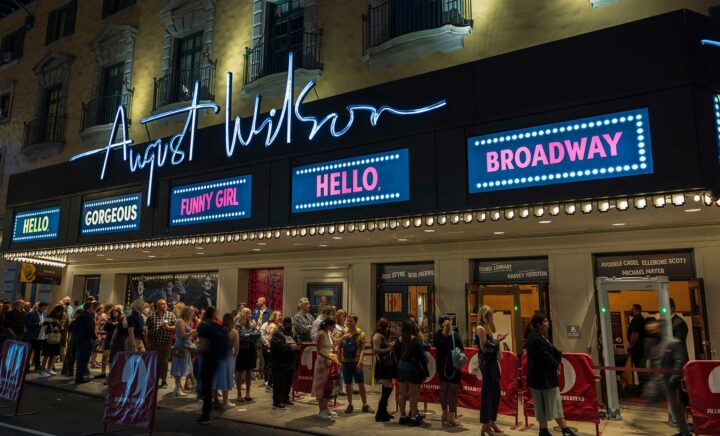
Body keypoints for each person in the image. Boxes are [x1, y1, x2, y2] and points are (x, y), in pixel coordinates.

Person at [526, 312, 576, 436]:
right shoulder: (535, 338)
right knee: (552, 403)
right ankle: (564, 429)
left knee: (545, 403)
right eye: (545, 321)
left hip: (543, 377)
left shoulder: (541, 336)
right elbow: (545, 355)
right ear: (538, 324)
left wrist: (557, 358)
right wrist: (556, 364)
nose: (548, 323)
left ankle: (544, 431)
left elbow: (552, 351)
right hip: (542, 378)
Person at [642, 318, 691, 436]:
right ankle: (638, 422)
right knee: (649, 399)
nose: (652, 332)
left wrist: (673, 378)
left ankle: (684, 432)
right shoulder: (654, 345)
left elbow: (679, 361)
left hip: (668, 381)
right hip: (657, 380)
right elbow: (653, 361)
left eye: (654, 329)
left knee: (676, 406)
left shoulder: (673, 343)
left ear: (660, 328)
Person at [475, 306, 508, 434]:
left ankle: (491, 421)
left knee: (496, 392)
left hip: (491, 361)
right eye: (489, 315)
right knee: (488, 393)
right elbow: (484, 349)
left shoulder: (486, 328)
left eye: (491, 315)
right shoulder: (481, 329)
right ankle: (485, 424)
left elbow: (489, 345)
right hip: (487, 362)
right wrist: (497, 341)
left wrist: (496, 340)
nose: (491, 318)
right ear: (483, 315)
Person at [197, 307, 229, 425]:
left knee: (205, 386)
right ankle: (209, 409)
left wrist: (196, 349)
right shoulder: (217, 326)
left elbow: (204, 346)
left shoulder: (203, 326)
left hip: (206, 358)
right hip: (217, 358)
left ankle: (206, 414)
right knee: (209, 385)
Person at [394, 319, 428, 427]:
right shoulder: (416, 341)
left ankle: (403, 416)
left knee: (402, 393)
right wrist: (426, 371)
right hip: (414, 369)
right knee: (413, 394)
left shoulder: (398, 341)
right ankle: (413, 417)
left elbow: (396, 355)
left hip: (401, 368)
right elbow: (422, 358)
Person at [339, 314, 372, 413]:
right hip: (346, 362)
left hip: (356, 363)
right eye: (347, 321)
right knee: (348, 384)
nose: (348, 323)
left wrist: (361, 361)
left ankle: (365, 404)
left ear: (355, 322)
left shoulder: (360, 333)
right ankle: (350, 404)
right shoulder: (342, 333)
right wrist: (339, 361)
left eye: (351, 321)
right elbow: (339, 348)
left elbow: (362, 349)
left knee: (361, 383)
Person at [436, 317, 465, 428]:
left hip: (441, 366)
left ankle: (444, 414)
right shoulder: (454, 335)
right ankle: (451, 418)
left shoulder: (437, 335)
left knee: (443, 390)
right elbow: (461, 349)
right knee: (453, 393)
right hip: (453, 367)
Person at [313, 317, 342, 420]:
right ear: (328, 325)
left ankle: (325, 408)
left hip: (328, 361)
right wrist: (330, 357)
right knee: (322, 386)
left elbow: (333, 344)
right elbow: (319, 350)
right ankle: (321, 410)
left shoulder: (327, 333)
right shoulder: (321, 334)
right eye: (333, 326)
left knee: (328, 386)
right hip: (322, 362)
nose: (334, 327)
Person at [146, 299, 177, 389]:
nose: (164, 305)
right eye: (162, 304)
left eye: (165, 304)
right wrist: (152, 332)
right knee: (152, 361)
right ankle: (152, 379)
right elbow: (146, 329)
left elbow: (176, 327)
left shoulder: (171, 315)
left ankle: (163, 380)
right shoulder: (152, 316)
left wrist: (168, 327)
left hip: (165, 343)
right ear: (157, 305)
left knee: (164, 362)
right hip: (153, 343)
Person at [270, 316, 299, 409]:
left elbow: (298, 342)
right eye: (288, 325)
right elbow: (278, 345)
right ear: (284, 324)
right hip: (279, 362)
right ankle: (277, 401)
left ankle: (285, 398)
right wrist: (290, 347)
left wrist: (297, 345)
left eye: (291, 325)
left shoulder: (292, 333)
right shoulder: (277, 333)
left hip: (290, 362)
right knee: (278, 382)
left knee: (288, 382)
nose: (290, 326)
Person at [372, 317, 396, 422]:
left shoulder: (382, 335)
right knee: (388, 387)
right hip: (384, 363)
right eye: (386, 327)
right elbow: (375, 350)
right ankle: (380, 412)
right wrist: (389, 348)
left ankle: (383, 411)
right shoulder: (377, 336)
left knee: (387, 387)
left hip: (387, 362)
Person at [212, 313, 238, 410]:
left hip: (217, 357)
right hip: (228, 358)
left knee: (216, 378)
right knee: (226, 379)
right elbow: (236, 348)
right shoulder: (234, 332)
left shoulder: (218, 330)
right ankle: (225, 402)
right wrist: (234, 358)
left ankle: (215, 400)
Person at [171, 306, 197, 396]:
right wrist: (192, 332)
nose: (193, 314)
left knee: (188, 367)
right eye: (192, 312)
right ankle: (177, 388)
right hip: (180, 347)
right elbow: (182, 335)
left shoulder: (187, 322)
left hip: (186, 347)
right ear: (187, 312)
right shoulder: (180, 321)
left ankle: (194, 385)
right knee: (178, 367)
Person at [235, 308, 258, 402]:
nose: (250, 314)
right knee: (239, 372)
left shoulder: (252, 324)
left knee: (249, 372)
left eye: (250, 312)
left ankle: (248, 393)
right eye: (248, 313)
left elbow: (258, 334)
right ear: (243, 314)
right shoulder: (238, 325)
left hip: (251, 349)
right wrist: (251, 335)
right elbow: (240, 337)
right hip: (242, 350)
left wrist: (248, 335)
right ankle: (239, 394)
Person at [73, 301, 97, 384]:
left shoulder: (79, 316)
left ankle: (79, 377)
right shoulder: (89, 317)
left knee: (80, 360)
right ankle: (80, 378)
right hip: (86, 341)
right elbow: (90, 329)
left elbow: (74, 329)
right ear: (89, 308)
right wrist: (95, 337)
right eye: (92, 307)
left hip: (79, 340)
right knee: (84, 360)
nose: (93, 309)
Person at [39, 305, 65, 378]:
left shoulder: (58, 319)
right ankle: (42, 370)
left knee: (53, 354)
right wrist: (57, 325)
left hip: (56, 338)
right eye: (60, 311)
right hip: (48, 338)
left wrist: (60, 325)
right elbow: (45, 329)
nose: (61, 313)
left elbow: (60, 329)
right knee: (46, 355)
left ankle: (49, 369)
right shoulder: (49, 318)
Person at [260, 310, 281, 391]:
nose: (280, 317)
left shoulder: (276, 325)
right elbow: (271, 338)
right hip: (271, 348)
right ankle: (269, 384)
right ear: (274, 317)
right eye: (279, 315)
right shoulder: (273, 326)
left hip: (273, 348)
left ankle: (270, 384)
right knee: (271, 366)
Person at [99, 306, 122, 378]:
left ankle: (112, 374)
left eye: (116, 312)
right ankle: (103, 372)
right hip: (109, 339)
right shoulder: (109, 320)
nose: (114, 313)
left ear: (119, 313)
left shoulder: (121, 320)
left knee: (113, 357)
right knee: (105, 355)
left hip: (117, 340)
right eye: (113, 312)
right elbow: (105, 330)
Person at [23, 301, 48, 371]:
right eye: (43, 308)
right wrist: (39, 324)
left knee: (37, 352)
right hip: (32, 336)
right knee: (29, 352)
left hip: (41, 336)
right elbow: (28, 325)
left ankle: (37, 366)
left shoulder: (44, 314)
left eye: (45, 309)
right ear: (39, 307)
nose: (44, 310)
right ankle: (26, 367)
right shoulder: (31, 314)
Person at [626, 304, 646, 389]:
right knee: (640, 367)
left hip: (637, 348)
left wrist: (630, 347)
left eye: (630, 308)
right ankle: (643, 386)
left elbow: (634, 335)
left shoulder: (636, 320)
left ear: (634, 309)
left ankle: (643, 387)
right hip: (640, 348)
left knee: (640, 367)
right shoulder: (640, 319)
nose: (629, 310)